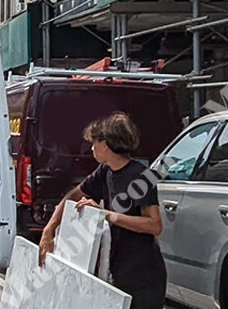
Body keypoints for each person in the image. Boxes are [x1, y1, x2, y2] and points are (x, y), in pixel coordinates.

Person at [37, 112, 166, 309]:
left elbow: (154, 225)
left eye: (94, 143)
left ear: (105, 144)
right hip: (118, 269)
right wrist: (49, 229)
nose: (91, 148)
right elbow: (73, 196)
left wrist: (107, 215)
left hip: (143, 276)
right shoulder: (105, 171)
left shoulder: (140, 176)